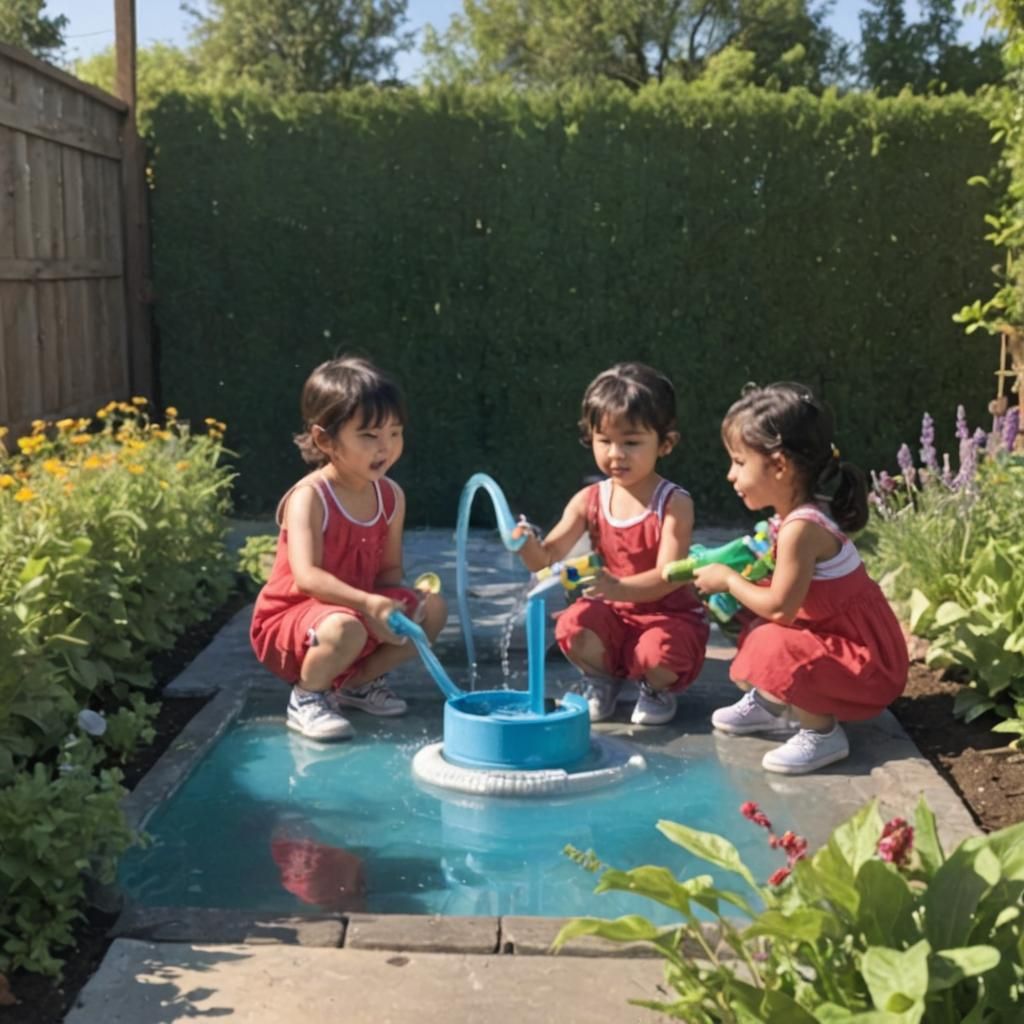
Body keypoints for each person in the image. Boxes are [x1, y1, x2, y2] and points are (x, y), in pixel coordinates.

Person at [693, 382, 909, 774]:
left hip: (867, 663)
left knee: (773, 638)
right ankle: (772, 700)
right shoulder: (790, 519)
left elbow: (781, 609)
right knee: (754, 625)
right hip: (840, 640)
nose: (730, 475)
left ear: (778, 465)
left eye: (740, 463)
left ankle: (822, 733)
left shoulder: (801, 529)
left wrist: (727, 579)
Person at [250, 356, 447, 741]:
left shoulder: (391, 497)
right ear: (325, 440)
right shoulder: (311, 497)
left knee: (434, 612)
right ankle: (308, 697)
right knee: (345, 627)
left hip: (356, 611)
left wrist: (400, 601)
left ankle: (355, 685)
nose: (385, 448)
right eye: (369, 435)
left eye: (395, 433)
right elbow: (307, 578)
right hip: (295, 619)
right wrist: (368, 604)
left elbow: (388, 573)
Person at [515, 362, 709, 726]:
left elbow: (670, 576)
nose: (616, 454)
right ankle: (603, 678)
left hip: (667, 616)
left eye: (631, 442)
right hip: (615, 614)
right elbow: (546, 558)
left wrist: (617, 586)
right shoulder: (588, 499)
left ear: (665, 444)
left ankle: (655, 687)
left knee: (660, 653)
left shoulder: (673, 503)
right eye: (605, 441)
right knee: (573, 626)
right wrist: (526, 543)